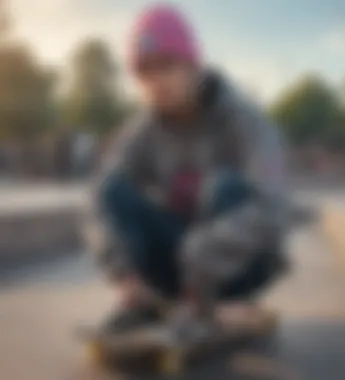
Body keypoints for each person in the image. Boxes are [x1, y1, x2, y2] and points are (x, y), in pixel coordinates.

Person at [84, 3, 289, 340]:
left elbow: (274, 209)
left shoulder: (245, 120)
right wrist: (123, 271)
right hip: (180, 265)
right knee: (110, 188)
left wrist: (203, 252)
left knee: (225, 187)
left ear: (193, 64)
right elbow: (99, 197)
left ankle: (208, 302)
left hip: (240, 266)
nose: (156, 82)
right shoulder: (143, 129)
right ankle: (140, 300)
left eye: (167, 65)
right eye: (145, 72)